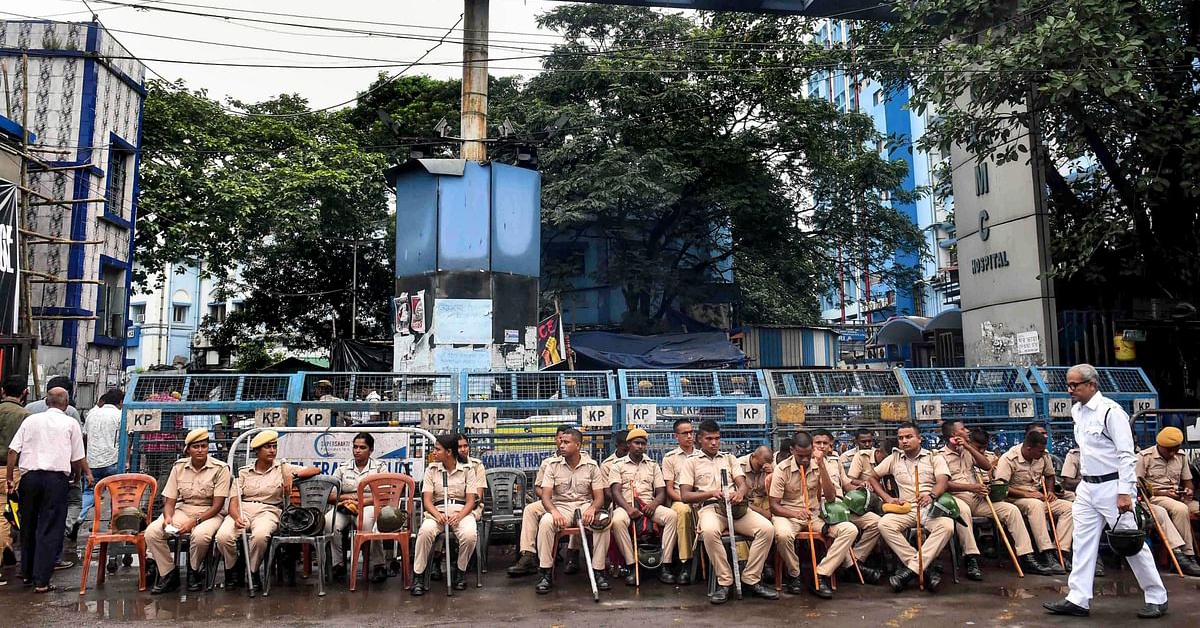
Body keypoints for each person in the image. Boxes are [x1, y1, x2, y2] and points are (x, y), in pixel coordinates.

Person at [1044, 364, 1169, 619]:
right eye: (1068, 385)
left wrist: (1125, 492)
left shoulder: (1111, 412)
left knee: (1130, 542)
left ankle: (1157, 596)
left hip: (1113, 487)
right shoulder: (1078, 411)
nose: (1070, 390)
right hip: (1088, 487)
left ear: (1091, 385)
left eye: (1075, 385)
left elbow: (1127, 455)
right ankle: (1078, 598)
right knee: (1082, 542)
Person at [938, 420, 1057, 577]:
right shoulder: (938, 456)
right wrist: (971, 487)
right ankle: (970, 557)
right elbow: (944, 484)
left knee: (1011, 510)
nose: (967, 431)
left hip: (979, 498)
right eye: (963, 429)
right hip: (957, 498)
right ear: (954, 434)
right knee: (963, 510)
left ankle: (1027, 556)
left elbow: (986, 466)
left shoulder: (967, 451)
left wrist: (967, 446)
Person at [678, 419, 778, 604]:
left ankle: (751, 579)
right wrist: (711, 493)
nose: (714, 442)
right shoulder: (691, 462)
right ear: (700, 439)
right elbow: (685, 495)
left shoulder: (729, 458)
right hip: (710, 507)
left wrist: (740, 493)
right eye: (709, 438)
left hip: (735, 508)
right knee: (709, 531)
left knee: (767, 529)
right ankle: (724, 583)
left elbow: (742, 484)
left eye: (717, 438)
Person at [771, 432, 880, 599]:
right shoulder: (782, 469)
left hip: (814, 515)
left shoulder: (819, 464)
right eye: (801, 456)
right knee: (783, 535)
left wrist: (822, 467)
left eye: (809, 455)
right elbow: (774, 506)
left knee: (849, 529)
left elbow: (830, 498)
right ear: (792, 450)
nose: (806, 460)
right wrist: (795, 513)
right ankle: (795, 575)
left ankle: (820, 575)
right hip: (787, 514)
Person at [5, 387, 90, 592]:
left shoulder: (31, 420)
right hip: (56, 480)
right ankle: (41, 580)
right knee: (50, 527)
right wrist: (78, 476)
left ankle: (26, 573)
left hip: (30, 479)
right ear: (67, 404)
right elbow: (77, 457)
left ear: (46, 402)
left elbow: (13, 450)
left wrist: (10, 477)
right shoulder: (70, 423)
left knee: (28, 525)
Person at [214, 430, 319, 590]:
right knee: (223, 536)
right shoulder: (243, 473)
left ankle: (253, 571)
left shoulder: (282, 468)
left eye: (274, 446)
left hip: (269, 511)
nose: (272, 450)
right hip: (244, 510)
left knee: (260, 536)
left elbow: (315, 470)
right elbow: (233, 503)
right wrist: (236, 518)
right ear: (257, 451)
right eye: (267, 447)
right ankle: (233, 569)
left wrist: (294, 474)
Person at [868, 421, 953, 593]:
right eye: (901, 438)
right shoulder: (893, 458)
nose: (904, 441)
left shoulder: (934, 457)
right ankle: (923, 569)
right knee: (885, 524)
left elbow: (943, 481)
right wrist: (888, 498)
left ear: (919, 439)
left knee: (947, 526)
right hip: (906, 508)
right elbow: (872, 478)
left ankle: (910, 570)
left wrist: (931, 495)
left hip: (930, 506)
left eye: (909, 437)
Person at [145, 428, 231, 594]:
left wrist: (195, 521)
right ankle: (168, 573)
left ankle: (194, 570)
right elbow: (169, 500)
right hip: (184, 508)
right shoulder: (179, 467)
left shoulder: (220, 468)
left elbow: (217, 505)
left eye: (204, 446)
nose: (200, 450)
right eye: (196, 447)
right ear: (188, 450)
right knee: (152, 532)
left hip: (210, 512)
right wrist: (168, 517)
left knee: (201, 536)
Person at [534, 428, 610, 594]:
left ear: (578, 445)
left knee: (603, 523)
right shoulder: (552, 466)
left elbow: (599, 497)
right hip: (561, 506)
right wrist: (553, 512)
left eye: (566, 442)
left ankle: (598, 572)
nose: (561, 445)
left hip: (584, 505)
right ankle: (545, 573)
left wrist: (592, 509)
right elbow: (546, 497)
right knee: (546, 522)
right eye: (561, 442)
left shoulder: (591, 466)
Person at [809, 428, 883, 584]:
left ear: (830, 445)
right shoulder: (806, 461)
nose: (821, 446)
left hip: (842, 504)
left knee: (877, 522)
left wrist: (861, 488)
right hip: (821, 507)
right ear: (811, 444)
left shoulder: (836, 460)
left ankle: (854, 559)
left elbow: (847, 485)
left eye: (825, 443)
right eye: (818, 443)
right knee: (847, 528)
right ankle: (852, 567)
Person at [994, 430, 1073, 573]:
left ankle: (1060, 551)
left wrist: (1049, 491)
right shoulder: (1009, 458)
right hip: (1016, 499)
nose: (1042, 454)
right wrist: (1027, 494)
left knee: (1069, 507)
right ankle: (1046, 551)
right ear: (1029, 449)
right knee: (1034, 505)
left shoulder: (1043, 455)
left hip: (1039, 496)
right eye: (1040, 451)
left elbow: (1049, 475)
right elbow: (1001, 486)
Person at [608, 428, 679, 585]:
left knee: (672, 516)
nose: (640, 446)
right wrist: (628, 509)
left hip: (648, 505)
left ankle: (665, 566)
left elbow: (661, 492)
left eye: (643, 443)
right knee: (618, 520)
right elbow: (615, 492)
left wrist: (653, 504)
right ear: (629, 444)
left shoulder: (653, 465)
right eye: (636, 443)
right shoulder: (617, 465)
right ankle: (632, 565)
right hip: (626, 506)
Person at [506, 424, 577, 577]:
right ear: (556, 440)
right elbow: (538, 488)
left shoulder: (584, 461)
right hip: (550, 501)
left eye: (567, 440)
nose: (562, 443)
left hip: (572, 503)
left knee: (578, 512)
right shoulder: (548, 463)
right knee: (530, 509)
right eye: (560, 439)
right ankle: (528, 555)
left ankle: (573, 555)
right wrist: (548, 496)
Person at [412, 433, 479, 595]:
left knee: (470, 535)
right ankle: (418, 575)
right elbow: (427, 500)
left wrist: (460, 516)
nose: (434, 452)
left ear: (449, 452)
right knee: (425, 532)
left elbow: (471, 501)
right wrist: (437, 514)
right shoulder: (431, 470)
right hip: (437, 512)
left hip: (460, 513)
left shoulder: (467, 470)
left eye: (437, 449)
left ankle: (460, 571)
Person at [25, 376, 83, 550]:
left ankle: (34, 543)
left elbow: (17, 446)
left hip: (31, 470)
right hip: (59, 471)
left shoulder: (29, 409)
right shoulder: (70, 413)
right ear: (65, 399)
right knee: (71, 503)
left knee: (35, 510)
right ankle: (59, 536)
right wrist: (79, 473)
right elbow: (77, 448)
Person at [1136, 426, 1200, 575]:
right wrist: (1162, 492)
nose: (1172, 453)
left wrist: (1188, 490)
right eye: (1169, 449)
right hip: (1154, 497)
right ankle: (1187, 555)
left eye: (1175, 449)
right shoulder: (1145, 457)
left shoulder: (1181, 456)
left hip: (1178, 496)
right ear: (1160, 446)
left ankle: (1188, 556)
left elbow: (1187, 480)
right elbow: (1137, 487)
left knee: (1189, 507)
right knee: (1179, 509)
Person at [326, 433, 386, 581]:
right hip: (345, 506)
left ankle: (378, 565)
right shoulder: (343, 468)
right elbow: (331, 495)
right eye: (355, 447)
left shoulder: (379, 468)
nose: (357, 450)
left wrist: (360, 503)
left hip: (369, 505)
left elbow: (383, 494)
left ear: (371, 450)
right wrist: (347, 499)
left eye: (362, 447)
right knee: (329, 521)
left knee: (367, 523)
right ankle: (338, 564)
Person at [78, 389, 124, 527]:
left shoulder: (92, 414)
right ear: (120, 402)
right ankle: (113, 522)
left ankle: (79, 518)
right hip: (114, 460)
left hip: (92, 461)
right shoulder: (120, 414)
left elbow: (85, 436)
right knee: (116, 493)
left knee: (89, 492)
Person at [660, 418, 697, 583]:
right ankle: (685, 563)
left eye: (691, 432)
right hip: (680, 499)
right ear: (677, 436)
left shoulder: (701, 455)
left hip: (703, 499)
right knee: (682, 512)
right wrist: (686, 500)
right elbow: (669, 489)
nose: (689, 436)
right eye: (685, 433)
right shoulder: (670, 458)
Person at [0, 375, 29, 584]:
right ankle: (5, 546)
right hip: (10, 470)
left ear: (3, 392)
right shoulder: (25, 416)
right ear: (24, 392)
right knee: (7, 513)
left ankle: (8, 544)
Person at [738, 445, 774, 518]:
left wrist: (771, 476)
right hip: (746, 503)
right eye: (760, 465)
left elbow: (774, 494)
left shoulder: (772, 465)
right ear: (753, 456)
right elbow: (738, 496)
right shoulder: (739, 465)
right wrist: (761, 511)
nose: (762, 469)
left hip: (763, 500)